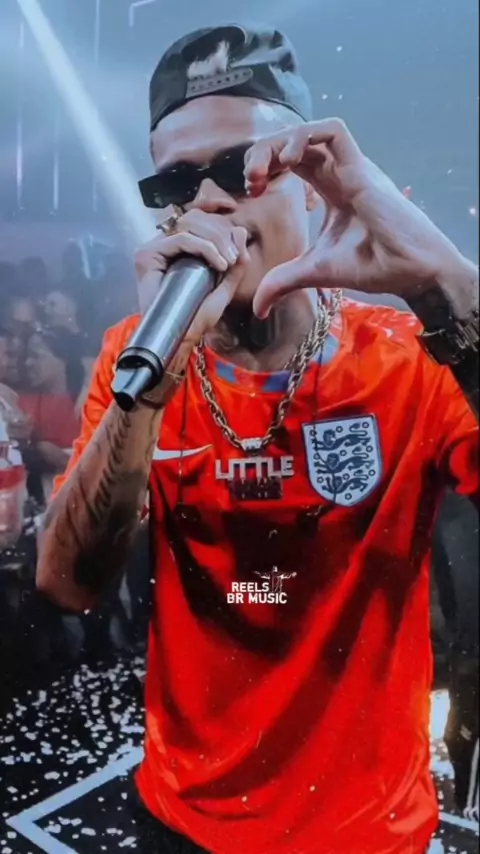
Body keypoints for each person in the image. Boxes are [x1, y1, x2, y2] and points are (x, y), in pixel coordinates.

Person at [36, 24, 479, 854]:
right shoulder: (137, 359)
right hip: (184, 814)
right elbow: (67, 584)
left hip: (366, 830)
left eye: (242, 167)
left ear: (310, 187)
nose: (208, 201)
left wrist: (448, 284)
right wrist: (152, 386)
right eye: (178, 181)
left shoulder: (410, 356)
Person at [19, 328, 84, 502]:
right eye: (27, 356)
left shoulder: (88, 404)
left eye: (36, 356)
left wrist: (62, 460)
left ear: (63, 359)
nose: (27, 363)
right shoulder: (22, 405)